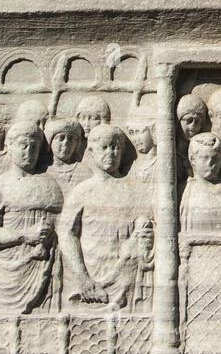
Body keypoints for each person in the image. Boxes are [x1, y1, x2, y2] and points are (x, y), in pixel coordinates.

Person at [61, 124, 154, 308]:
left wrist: (143, 239)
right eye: (104, 147)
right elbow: (67, 234)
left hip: (126, 278)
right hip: (90, 278)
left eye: (115, 147)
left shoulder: (134, 190)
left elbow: (145, 229)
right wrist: (82, 277)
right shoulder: (82, 191)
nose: (110, 153)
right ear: (91, 152)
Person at [0, 123, 63, 313]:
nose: (29, 152)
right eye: (23, 145)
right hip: (7, 270)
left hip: (46, 266)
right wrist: (24, 235)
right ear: (10, 146)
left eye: (34, 147)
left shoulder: (50, 184)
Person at [180, 133, 221, 232]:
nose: (210, 164)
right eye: (205, 158)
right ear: (193, 159)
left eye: (215, 158)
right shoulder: (183, 191)